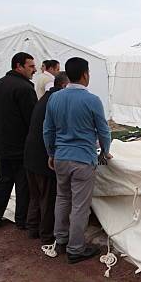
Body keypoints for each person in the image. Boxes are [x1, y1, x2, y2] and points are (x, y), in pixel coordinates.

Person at [43, 57, 112, 263]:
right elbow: (103, 131)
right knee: (80, 206)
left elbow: (48, 130)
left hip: (61, 158)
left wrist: (51, 153)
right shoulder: (92, 100)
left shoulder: (54, 98)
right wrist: (104, 151)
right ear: (84, 74)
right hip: (82, 159)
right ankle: (76, 249)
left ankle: (61, 239)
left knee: (62, 199)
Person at [0, 52, 37, 230]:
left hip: (2, 143)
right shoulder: (25, 88)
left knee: (3, 181)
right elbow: (32, 120)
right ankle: (22, 220)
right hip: (20, 146)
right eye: (30, 66)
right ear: (18, 66)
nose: (35, 70)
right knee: (23, 185)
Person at [23, 72, 69, 244]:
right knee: (49, 197)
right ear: (65, 86)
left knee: (35, 195)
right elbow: (52, 130)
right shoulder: (57, 101)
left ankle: (33, 228)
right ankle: (46, 235)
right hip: (43, 156)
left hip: (30, 153)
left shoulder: (45, 97)